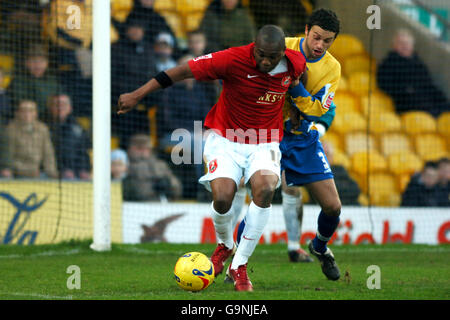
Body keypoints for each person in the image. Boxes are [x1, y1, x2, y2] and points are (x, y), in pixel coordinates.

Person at [117, 25, 307, 291]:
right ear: (254, 46)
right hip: (225, 139)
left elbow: (299, 81)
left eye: (272, 57)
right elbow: (180, 71)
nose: (266, 61)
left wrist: (297, 110)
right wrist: (137, 94)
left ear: (282, 54)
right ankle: (224, 245)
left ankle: (239, 265)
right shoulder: (232, 59)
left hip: (265, 142)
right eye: (261, 54)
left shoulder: (295, 62)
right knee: (222, 198)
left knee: (264, 190)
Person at [233, 9, 342, 279]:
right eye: (316, 37)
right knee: (262, 193)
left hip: (299, 133)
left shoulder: (333, 68)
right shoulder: (281, 46)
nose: (320, 45)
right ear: (306, 30)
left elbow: (318, 110)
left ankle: (318, 246)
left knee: (333, 207)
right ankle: (235, 261)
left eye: (327, 41)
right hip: (265, 130)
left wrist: (296, 89)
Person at [377, 29, 449, 118]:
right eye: (401, 43)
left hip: (424, 99)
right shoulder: (388, 63)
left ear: (412, 46)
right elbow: (384, 84)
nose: (404, 46)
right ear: (393, 46)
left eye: (407, 43)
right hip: (406, 101)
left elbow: (429, 85)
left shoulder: (419, 64)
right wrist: (406, 90)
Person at [111, 17, 158, 149]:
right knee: (127, 139)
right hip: (123, 106)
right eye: (133, 28)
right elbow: (114, 78)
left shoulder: (148, 50)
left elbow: (153, 76)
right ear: (127, 30)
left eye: (139, 29)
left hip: (144, 106)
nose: (136, 31)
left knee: (144, 139)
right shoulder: (116, 49)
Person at [6, 100, 58, 179]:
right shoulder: (10, 129)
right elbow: (8, 156)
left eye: (31, 111)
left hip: (38, 172)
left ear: (36, 113)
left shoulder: (42, 129)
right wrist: (26, 170)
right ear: (17, 113)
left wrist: (52, 172)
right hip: (16, 173)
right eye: (23, 111)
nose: (27, 114)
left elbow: (48, 153)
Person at [122, 134, 182, 201]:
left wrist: (169, 183)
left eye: (146, 148)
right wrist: (152, 189)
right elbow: (131, 189)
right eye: (139, 148)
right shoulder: (124, 164)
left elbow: (177, 188)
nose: (143, 151)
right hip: (137, 204)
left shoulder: (161, 165)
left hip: (164, 203)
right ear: (130, 149)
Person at [47, 94, 91, 180]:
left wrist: (83, 169)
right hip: (51, 172)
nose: (60, 108)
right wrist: (61, 170)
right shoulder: (44, 126)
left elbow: (83, 152)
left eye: (63, 105)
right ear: (51, 107)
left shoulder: (78, 128)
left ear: (70, 108)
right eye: (57, 105)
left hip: (75, 172)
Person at [8, 45, 59, 120]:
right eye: (34, 61)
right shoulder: (18, 81)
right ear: (26, 63)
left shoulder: (53, 81)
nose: (38, 65)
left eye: (42, 61)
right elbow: (20, 105)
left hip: (53, 120)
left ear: (47, 63)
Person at [322, 140, 360, 205]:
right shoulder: (315, 172)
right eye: (322, 154)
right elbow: (324, 193)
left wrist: (336, 189)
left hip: (348, 203)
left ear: (332, 156)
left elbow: (355, 189)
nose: (325, 157)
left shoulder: (340, 169)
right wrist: (343, 186)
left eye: (327, 154)